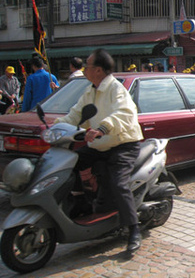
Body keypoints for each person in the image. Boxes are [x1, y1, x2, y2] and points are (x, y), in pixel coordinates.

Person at [53, 49, 144, 253]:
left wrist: (103, 127)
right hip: (99, 145)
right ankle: (84, 205)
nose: (84, 68)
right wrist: (54, 127)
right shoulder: (90, 91)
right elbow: (75, 114)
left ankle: (133, 229)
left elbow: (124, 113)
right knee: (70, 163)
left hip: (122, 144)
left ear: (99, 70)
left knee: (119, 184)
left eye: (88, 65)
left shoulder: (115, 89)